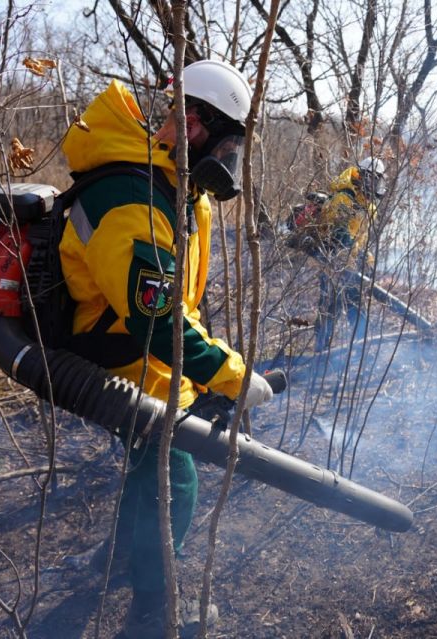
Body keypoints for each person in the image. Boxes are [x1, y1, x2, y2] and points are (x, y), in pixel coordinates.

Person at [58, 59, 273, 638]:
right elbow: (157, 321)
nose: (229, 161)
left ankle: (118, 558)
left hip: (139, 345)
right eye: (227, 143)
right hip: (120, 351)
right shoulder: (131, 194)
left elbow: (179, 307)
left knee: (144, 460)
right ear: (192, 121)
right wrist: (228, 374)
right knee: (173, 470)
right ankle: (153, 610)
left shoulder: (179, 188)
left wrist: (208, 376)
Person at [311, 157, 385, 354]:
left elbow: (360, 237)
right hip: (332, 262)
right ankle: (320, 351)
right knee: (330, 306)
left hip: (352, 265)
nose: (374, 185)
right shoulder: (344, 198)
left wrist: (366, 258)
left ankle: (362, 349)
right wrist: (347, 257)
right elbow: (337, 231)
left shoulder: (370, 207)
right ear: (360, 176)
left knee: (356, 305)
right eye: (371, 179)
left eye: (378, 180)